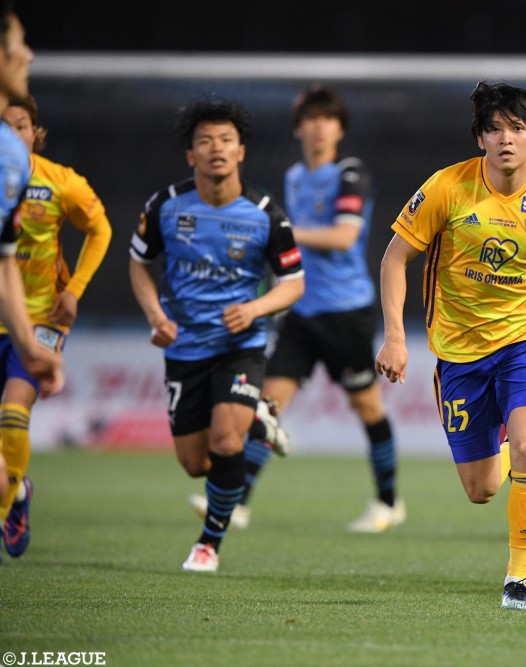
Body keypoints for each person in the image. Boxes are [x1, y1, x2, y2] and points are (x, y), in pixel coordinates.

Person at [375, 81, 526, 611]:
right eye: (495, 129)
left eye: (517, 128)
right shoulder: (447, 187)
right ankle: (509, 453)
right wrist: (395, 336)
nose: (506, 138)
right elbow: (394, 258)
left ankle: (518, 580)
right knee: (481, 489)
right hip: (459, 351)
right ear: (480, 138)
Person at [188, 85, 404, 532]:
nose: (319, 127)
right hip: (301, 312)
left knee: (367, 406)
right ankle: (237, 503)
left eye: (328, 119)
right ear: (298, 128)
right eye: (310, 119)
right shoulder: (294, 176)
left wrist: (282, 230)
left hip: (347, 312)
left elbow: (344, 236)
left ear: (340, 129)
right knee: (266, 405)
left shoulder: (350, 174)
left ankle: (388, 503)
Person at [129, 97, 304, 573]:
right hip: (184, 348)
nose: (216, 148)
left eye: (226, 139)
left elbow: (294, 283)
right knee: (195, 463)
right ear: (191, 154)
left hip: (239, 348)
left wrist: (255, 309)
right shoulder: (166, 206)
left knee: (227, 443)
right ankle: (258, 420)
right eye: (205, 141)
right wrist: (155, 316)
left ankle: (208, 544)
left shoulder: (266, 214)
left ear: (240, 151)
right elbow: (139, 263)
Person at [0, 95, 112, 560]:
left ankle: (3, 510)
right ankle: (16, 493)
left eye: (20, 125)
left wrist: (75, 291)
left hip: (41, 320)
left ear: (35, 133)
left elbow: (100, 230)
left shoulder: (61, 182)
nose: (11, 134)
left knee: (12, 413)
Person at [0, 0, 62, 565]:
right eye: (18, 42)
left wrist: (30, 343)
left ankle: (13, 494)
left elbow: (3, 264)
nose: (29, 54)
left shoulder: (12, 161)